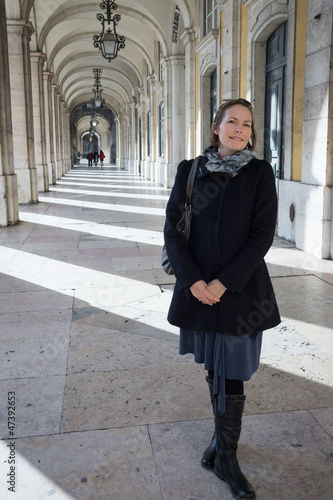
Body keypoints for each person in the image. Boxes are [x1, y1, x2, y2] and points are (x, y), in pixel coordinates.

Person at [163, 98, 281, 500]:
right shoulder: (190, 170)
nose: (240, 130)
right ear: (216, 127)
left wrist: (222, 283)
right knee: (213, 369)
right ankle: (219, 445)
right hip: (197, 292)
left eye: (247, 124)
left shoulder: (261, 173)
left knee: (231, 372)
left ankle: (226, 457)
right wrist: (194, 281)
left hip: (240, 291)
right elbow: (173, 231)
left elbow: (262, 235)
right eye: (232, 121)